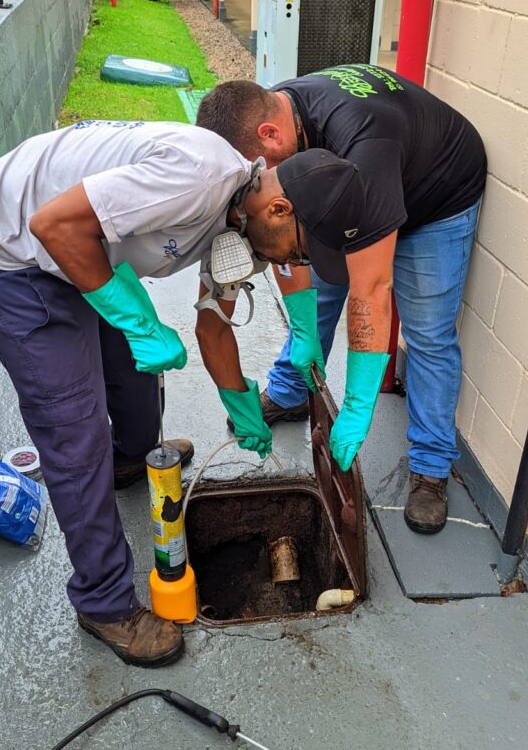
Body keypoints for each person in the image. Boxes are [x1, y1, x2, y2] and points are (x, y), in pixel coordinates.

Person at [0, 120, 272, 668]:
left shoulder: (243, 218)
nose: (285, 265)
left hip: (79, 246)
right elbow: (52, 226)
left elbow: (213, 325)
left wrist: (241, 403)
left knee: (134, 373)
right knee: (74, 427)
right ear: (279, 208)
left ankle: (130, 458)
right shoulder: (201, 180)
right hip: (4, 251)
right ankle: (103, 602)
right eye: (296, 253)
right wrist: (139, 322)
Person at [196, 64, 487, 535]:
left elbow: (371, 290)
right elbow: (286, 243)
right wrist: (303, 328)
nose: (257, 183)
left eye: (257, 171)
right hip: (359, 189)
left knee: (428, 333)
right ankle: (291, 390)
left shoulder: (363, 147)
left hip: (436, 197)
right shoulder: (276, 118)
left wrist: (355, 405)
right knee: (319, 285)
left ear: (270, 135)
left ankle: (431, 465)